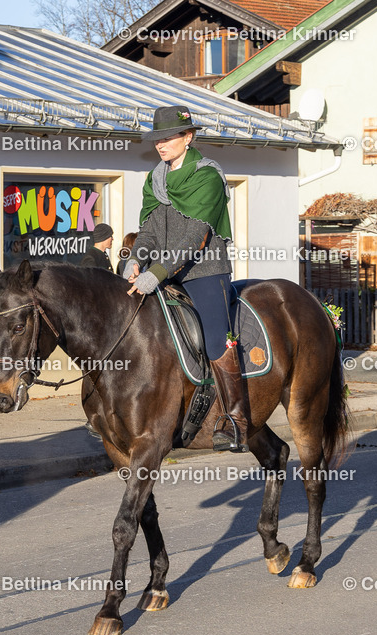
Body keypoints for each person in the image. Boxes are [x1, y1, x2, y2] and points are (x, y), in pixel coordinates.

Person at [123, 105, 247, 452]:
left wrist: (155, 274)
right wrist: (135, 259)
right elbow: (148, 230)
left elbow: (195, 237)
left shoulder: (206, 175)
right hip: (161, 272)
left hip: (204, 271)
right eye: (156, 139)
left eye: (167, 138)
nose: (160, 145)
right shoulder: (156, 178)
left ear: (188, 137)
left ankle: (233, 417)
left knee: (213, 341)